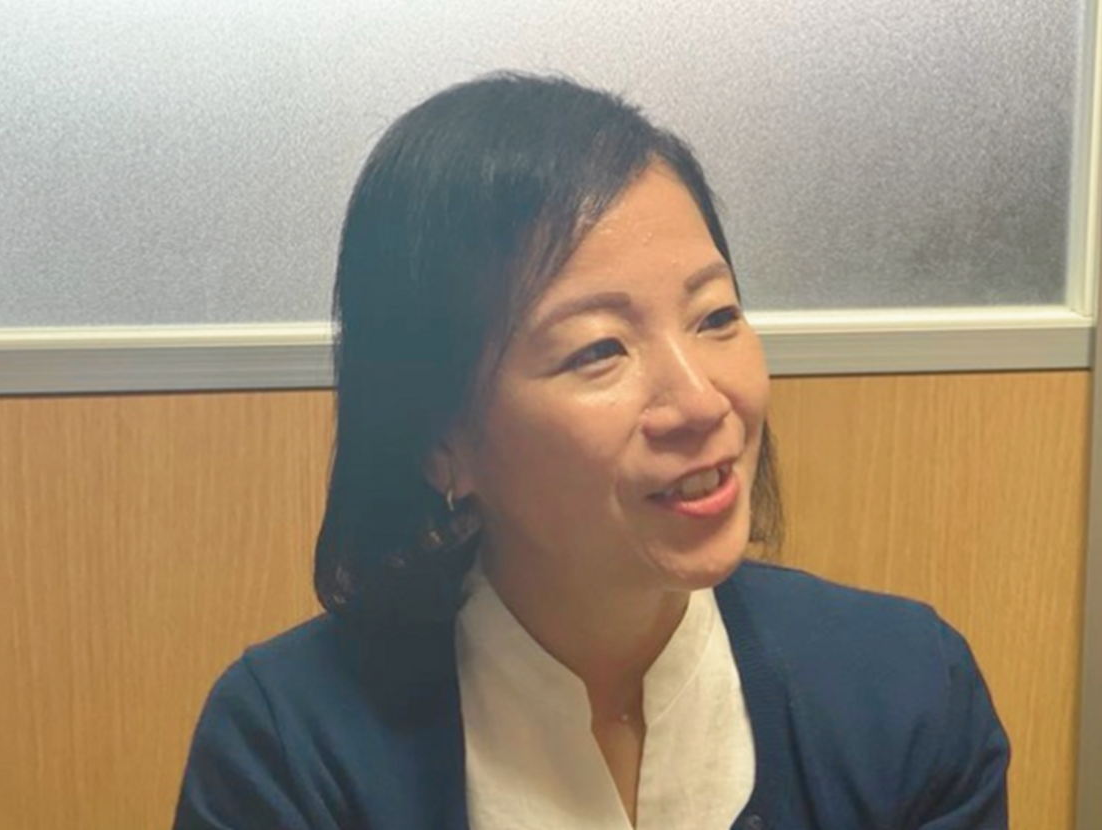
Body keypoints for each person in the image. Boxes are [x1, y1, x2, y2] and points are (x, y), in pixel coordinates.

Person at [174, 72, 1009, 830]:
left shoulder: (906, 693)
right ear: (439, 441)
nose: (701, 400)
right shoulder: (289, 748)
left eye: (716, 316)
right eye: (599, 349)